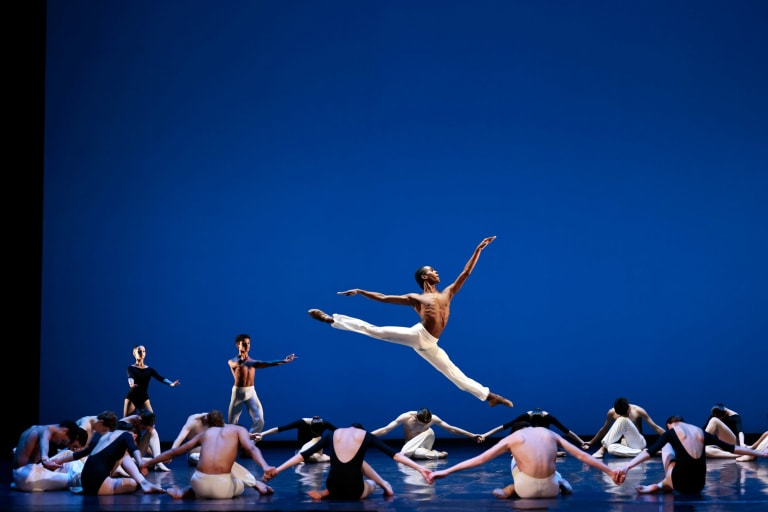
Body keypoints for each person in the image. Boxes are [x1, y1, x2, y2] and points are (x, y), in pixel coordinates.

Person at [308, 236, 513, 407]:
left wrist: (478, 249)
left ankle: (489, 396)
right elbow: (384, 297)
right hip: (418, 335)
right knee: (376, 331)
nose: (437, 272)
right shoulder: (416, 298)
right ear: (425, 276)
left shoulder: (447, 293)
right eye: (433, 270)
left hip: (431, 344)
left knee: (453, 374)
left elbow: (465, 273)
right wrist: (361, 291)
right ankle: (332, 319)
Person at [427, 421, 624, 499]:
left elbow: (480, 459)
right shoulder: (548, 433)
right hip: (551, 490)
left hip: (525, 491)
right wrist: (610, 471)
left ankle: (508, 490)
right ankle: (561, 482)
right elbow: (581, 455)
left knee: (516, 466)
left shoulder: (513, 438)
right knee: (555, 470)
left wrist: (444, 471)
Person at [263, 423, 432, 500]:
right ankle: (383, 484)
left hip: (333, 487)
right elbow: (395, 455)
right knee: (369, 482)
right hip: (354, 491)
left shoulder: (333, 434)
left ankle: (325, 493)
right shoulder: (366, 435)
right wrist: (420, 468)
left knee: (352, 465)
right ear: (361, 430)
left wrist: (277, 470)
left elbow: (302, 455)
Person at [141, 410, 275, 499]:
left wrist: (146, 463)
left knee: (204, 466)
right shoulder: (239, 430)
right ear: (223, 421)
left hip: (198, 484)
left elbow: (174, 452)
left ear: (207, 424)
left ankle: (186, 491)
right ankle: (256, 484)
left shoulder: (204, 434)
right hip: (222, 489)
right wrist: (265, 466)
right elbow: (251, 449)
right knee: (236, 473)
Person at [618, 415, 768, 494]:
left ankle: (661, 485)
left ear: (670, 424)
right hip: (699, 486)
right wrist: (760, 454)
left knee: (666, 448)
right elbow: (732, 448)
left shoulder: (671, 432)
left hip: (681, 484)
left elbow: (649, 452)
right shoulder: (700, 431)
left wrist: (627, 467)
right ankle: (661, 485)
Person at [53, 424, 165, 495]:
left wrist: (57, 461)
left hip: (85, 483)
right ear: (134, 435)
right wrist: (140, 462)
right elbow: (134, 448)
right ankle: (144, 484)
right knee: (134, 483)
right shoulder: (127, 435)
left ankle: (144, 483)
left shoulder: (104, 438)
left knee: (124, 455)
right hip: (100, 484)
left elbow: (78, 454)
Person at [227, 333, 297, 435]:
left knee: (260, 420)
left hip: (251, 392)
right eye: (244, 344)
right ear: (238, 345)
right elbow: (235, 364)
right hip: (238, 393)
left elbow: (267, 363)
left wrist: (284, 361)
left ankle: (248, 444)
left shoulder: (253, 362)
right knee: (232, 424)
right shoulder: (232, 361)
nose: (247, 346)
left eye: (248, 343)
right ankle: (232, 445)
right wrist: (240, 361)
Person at [371, 407, 480, 459]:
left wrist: (471, 435)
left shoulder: (434, 419)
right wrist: (365, 435)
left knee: (428, 432)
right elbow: (385, 429)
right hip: (411, 445)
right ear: (416, 418)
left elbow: (451, 429)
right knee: (418, 454)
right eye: (421, 423)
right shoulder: (406, 417)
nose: (423, 425)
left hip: (426, 439)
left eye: (426, 423)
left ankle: (415, 452)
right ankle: (437, 454)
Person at [12, 420, 88, 492]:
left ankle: (82, 477)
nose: (58, 443)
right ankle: (86, 481)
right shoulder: (44, 430)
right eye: (62, 441)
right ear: (65, 430)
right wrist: (45, 459)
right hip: (27, 477)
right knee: (72, 478)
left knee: (67, 454)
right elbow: (44, 443)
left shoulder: (33, 428)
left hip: (20, 476)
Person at [479, 407, 587, 457]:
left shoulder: (549, 417)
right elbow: (505, 426)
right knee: (517, 430)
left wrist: (582, 442)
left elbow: (566, 431)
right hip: (528, 438)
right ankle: (518, 450)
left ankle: (549, 451)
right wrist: (485, 435)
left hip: (543, 438)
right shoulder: (526, 416)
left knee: (548, 438)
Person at [583, 397, 665, 458]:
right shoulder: (611, 412)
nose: (622, 415)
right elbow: (604, 429)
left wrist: (672, 437)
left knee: (622, 419)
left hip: (638, 443)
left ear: (629, 408)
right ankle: (648, 452)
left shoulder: (638, 410)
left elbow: (655, 427)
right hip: (624, 445)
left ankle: (602, 448)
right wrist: (591, 442)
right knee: (611, 449)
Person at [124, 344, 180, 418]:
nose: (142, 353)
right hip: (132, 397)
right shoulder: (131, 368)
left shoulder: (149, 370)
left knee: (151, 420)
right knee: (127, 423)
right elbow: (130, 377)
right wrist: (131, 384)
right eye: (139, 351)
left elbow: (160, 378)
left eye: (143, 351)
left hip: (144, 398)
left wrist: (171, 384)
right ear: (134, 353)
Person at [255, 416, 337, 462]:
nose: (315, 432)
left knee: (317, 456)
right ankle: (303, 457)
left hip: (316, 451)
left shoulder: (324, 424)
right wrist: (262, 434)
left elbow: (339, 432)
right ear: (311, 428)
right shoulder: (302, 423)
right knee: (312, 457)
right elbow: (280, 429)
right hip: (301, 450)